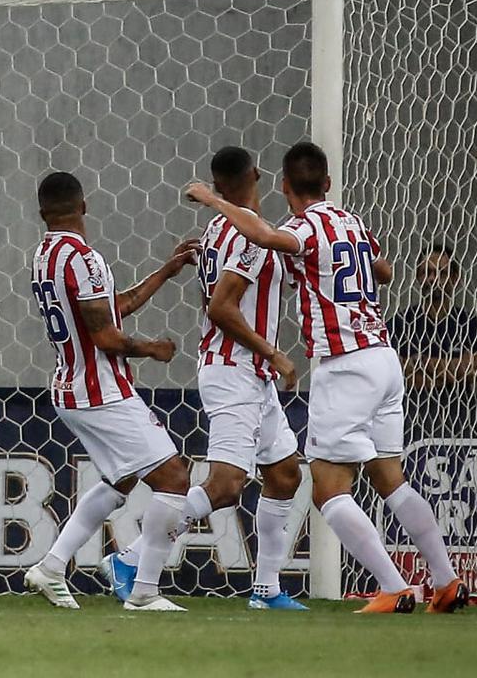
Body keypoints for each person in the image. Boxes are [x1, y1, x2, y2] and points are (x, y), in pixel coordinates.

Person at [185, 141, 467, 614]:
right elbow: (384, 270)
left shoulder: (301, 228)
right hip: (384, 360)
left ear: (283, 186)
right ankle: (446, 582)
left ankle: (394, 588)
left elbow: (267, 237)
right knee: (391, 480)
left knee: (328, 490)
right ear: (329, 184)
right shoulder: (351, 222)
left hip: (345, 364)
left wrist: (215, 201)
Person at [102, 146, 306, 611]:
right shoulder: (246, 233)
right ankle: (131, 559)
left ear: (216, 186)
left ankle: (266, 589)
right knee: (226, 486)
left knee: (285, 474)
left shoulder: (217, 229)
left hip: (248, 373)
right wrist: (273, 352)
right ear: (256, 174)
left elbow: (209, 303)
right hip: (236, 371)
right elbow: (220, 307)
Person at [23, 171, 196, 613]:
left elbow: (112, 308)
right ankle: (144, 591)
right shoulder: (84, 257)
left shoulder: (44, 255)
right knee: (175, 477)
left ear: (43, 212)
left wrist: (166, 271)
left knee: (120, 480)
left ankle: (51, 566)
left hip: (69, 388)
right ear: (85, 206)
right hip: (101, 391)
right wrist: (152, 349)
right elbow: (107, 336)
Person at [390, 245, 477, 390]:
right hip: (411, 407)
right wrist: (445, 370)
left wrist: (417, 361)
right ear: (417, 277)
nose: (432, 278)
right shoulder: (400, 323)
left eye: (441, 273)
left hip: (458, 407)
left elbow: (470, 370)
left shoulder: (470, 324)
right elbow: (392, 372)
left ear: (455, 278)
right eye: (426, 272)